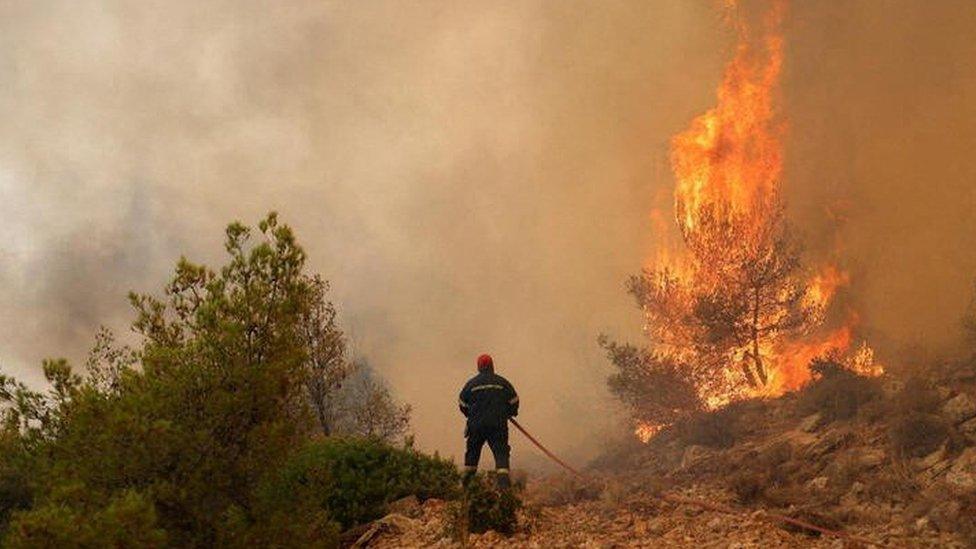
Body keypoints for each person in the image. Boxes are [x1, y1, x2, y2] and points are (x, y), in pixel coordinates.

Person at [458, 353, 519, 488]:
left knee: (472, 457)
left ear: (479, 367)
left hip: (476, 426)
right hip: (497, 425)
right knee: (501, 455)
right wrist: (510, 412)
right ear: (492, 366)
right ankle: (504, 490)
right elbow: (514, 400)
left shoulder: (471, 384)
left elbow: (462, 404)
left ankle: (466, 489)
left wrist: (471, 414)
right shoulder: (503, 383)